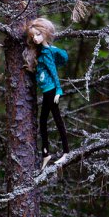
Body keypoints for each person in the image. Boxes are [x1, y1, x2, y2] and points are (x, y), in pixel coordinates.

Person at [23, 17, 70, 169]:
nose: (35, 39)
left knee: (55, 120)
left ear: (45, 33)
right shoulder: (42, 51)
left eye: (38, 34)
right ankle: (46, 154)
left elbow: (53, 72)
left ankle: (64, 153)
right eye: (33, 36)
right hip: (47, 91)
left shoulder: (48, 52)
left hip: (51, 92)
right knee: (45, 121)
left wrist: (58, 89)